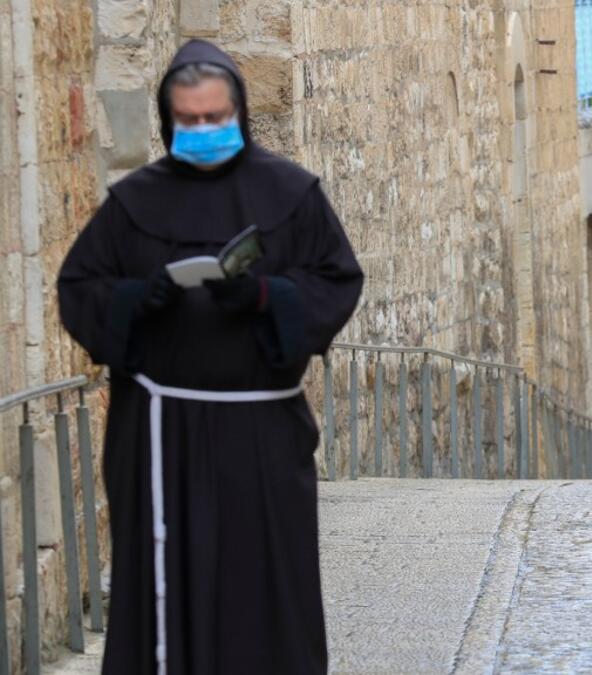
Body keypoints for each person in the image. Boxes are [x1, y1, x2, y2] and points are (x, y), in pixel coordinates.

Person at [58, 40, 363, 674]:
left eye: (214, 118)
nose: (203, 131)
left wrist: (264, 294)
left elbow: (337, 280)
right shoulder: (131, 203)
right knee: (161, 581)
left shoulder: (291, 192)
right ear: (169, 121)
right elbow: (80, 288)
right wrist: (138, 299)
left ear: (239, 114)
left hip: (261, 433)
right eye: (189, 121)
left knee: (265, 582)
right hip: (157, 434)